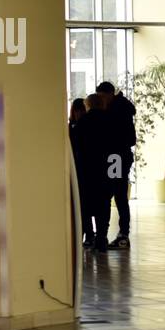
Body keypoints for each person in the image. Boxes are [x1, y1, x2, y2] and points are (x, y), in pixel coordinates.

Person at [96, 81, 137, 250]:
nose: (101, 101)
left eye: (101, 97)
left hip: (115, 157)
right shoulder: (123, 108)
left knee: (116, 194)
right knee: (119, 195)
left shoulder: (116, 111)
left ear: (108, 94)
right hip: (119, 156)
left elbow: (120, 136)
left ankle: (122, 234)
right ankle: (123, 234)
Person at [74, 93, 114, 253]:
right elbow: (116, 148)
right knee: (104, 204)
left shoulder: (83, 123)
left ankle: (90, 236)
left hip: (87, 171)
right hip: (106, 169)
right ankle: (102, 237)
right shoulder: (111, 121)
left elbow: (77, 149)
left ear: (88, 105)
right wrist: (115, 172)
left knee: (87, 204)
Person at [69, 98, 90, 247]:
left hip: (79, 169)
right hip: (86, 169)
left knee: (83, 204)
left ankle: (86, 234)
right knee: (85, 204)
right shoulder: (80, 126)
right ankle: (88, 234)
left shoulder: (74, 127)